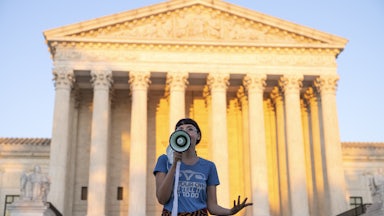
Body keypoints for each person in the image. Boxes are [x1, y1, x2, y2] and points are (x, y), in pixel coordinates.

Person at [153, 118, 252, 215]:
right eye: (180, 129)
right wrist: (174, 165)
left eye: (190, 129)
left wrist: (230, 211)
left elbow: (212, 206)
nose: (185, 132)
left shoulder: (209, 166)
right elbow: (162, 198)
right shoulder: (164, 161)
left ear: (198, 136)